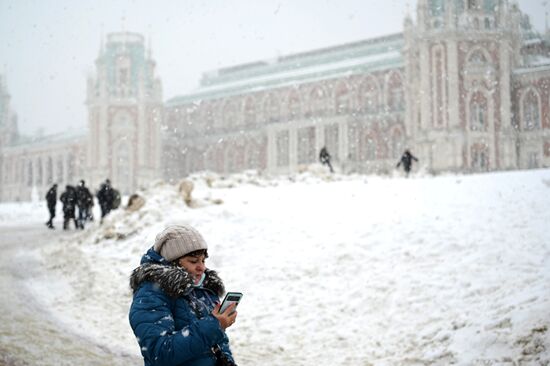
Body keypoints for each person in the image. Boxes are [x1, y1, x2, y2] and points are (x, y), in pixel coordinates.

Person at [129, 224, 238, 366]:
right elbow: (160, 353)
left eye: (203, 260)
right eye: (193, 261)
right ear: (173, 262)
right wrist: (214, 325)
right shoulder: (150, 294)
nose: (202, 267)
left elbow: (219, 344)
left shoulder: (203, 290)